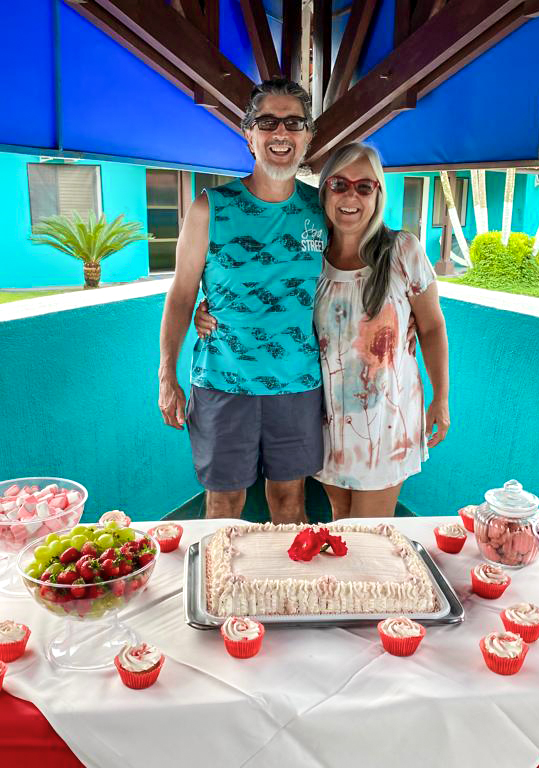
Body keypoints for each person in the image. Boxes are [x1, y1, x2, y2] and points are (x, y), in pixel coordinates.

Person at [195, 142, 450, 520]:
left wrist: (441, 398)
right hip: (327, 421)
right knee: (340, 524)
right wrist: (211, 311)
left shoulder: (401, 251)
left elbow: (432, 327)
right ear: (325, 191)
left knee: (368, 536)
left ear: (378, 194)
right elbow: (271, 302)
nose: (351, 196)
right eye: (339, 184)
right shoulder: (311, 256)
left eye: (364, 186)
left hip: (385, 423)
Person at [158, 78, 326, 523]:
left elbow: (356, 273)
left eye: (294, 123)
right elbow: (181, 294)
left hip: (298, 383)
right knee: (224, 505)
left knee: (290, 504)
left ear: (308, 136)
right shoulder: (210, 208)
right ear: (248, 134)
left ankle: (286, 574)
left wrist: (405, 316)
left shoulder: (323, 209)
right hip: (222, 382)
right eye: (267, 122)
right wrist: (166, 374)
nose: (281, 133)